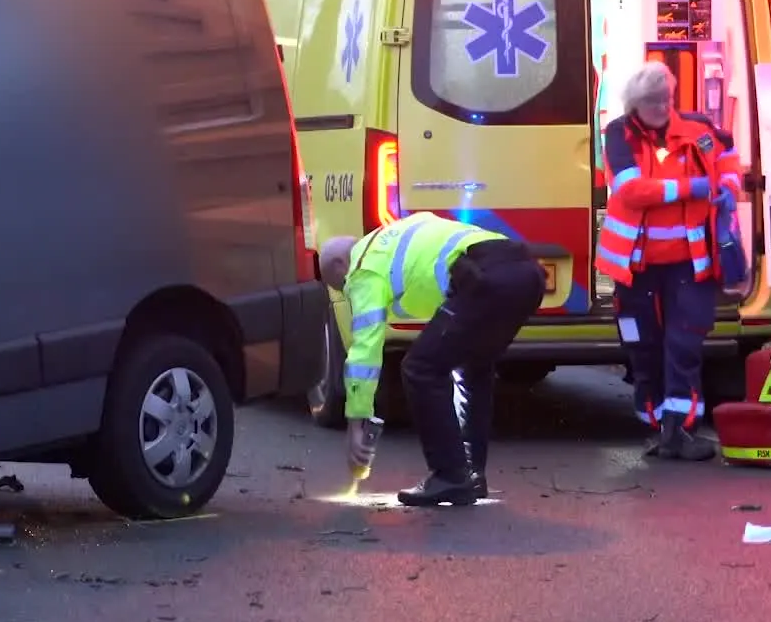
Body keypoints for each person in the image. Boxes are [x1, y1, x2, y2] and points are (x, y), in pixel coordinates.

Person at [318, 213, 547, 507]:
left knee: (420, 368)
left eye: (342, 286)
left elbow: (365, 351)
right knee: (473, 365)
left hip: (485, 278)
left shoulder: (364, 267)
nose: (349, 292)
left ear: (341, 264)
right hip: (527, 274)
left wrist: (355, 424)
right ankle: (470, 475)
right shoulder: (394, 237)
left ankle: (450, 475)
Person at [596, 62, 743, 462]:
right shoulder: (619, 134)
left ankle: (681, 429)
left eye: (667, 98)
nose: (662, 107)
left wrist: (728, 189)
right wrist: (692, 187)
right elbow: (631, 190)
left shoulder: (699, 129)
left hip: (689, 264)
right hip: (637, 268)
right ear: (635, 103)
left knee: (684, 344)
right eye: (652, 100)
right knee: (643, 348)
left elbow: (728, 158)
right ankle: (658, 425)